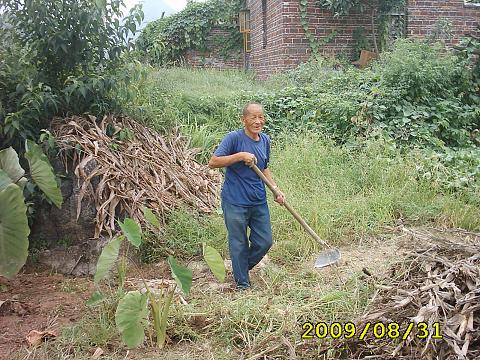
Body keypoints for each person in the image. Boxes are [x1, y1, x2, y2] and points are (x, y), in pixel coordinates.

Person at [208, 102, 285, 290]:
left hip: (258, 200)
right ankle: (242, 284)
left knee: (265, 241)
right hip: (235, 201)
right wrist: (240, 155)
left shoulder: (265, 140)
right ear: (244, 119)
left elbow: (264, 167)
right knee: (239, 242)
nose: (258, 121)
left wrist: (275, 189)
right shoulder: (234, 138)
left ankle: (240, 269)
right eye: (253, 117)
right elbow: (213, 162)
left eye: (261, 117)